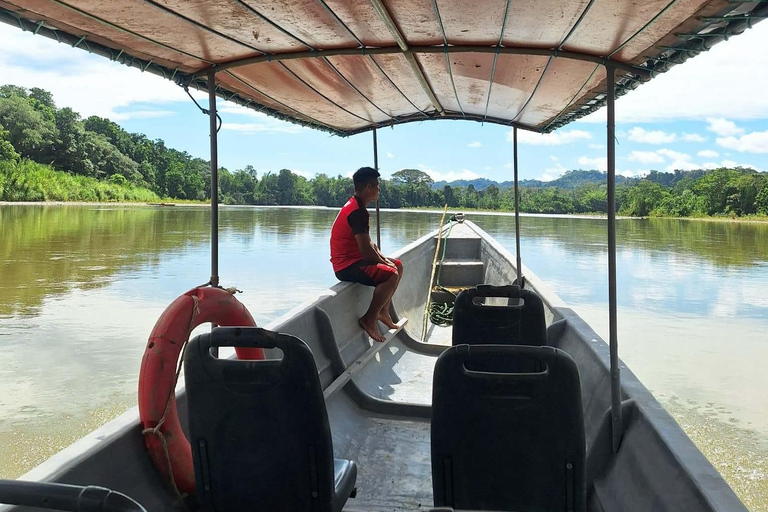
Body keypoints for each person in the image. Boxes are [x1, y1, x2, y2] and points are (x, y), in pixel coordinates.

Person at [331, 167, 404, 342]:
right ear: (369, 187)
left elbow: (370, 244)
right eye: (378, 186)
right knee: (392, 275)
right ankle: (369, 318)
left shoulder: (358, 206)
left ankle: (383, 312)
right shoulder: (357, 212)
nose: (379, 190)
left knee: (398, 265)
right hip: (346, 266)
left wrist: (385, 259)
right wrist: (386, 265)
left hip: (356, 260)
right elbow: (366, 251)